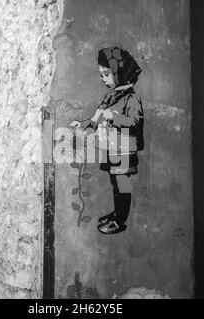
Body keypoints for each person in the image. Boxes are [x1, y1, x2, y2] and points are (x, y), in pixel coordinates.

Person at [71, 47, 144, 235]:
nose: (103, 79)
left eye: (106, 74)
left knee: (123, 186)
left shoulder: (131, 98)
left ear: (119, 73)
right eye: (101, 74)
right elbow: (96, 118)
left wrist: (112, 116)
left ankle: (120, 221)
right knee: (116, 185)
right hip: (112, 149)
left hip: (124, 151)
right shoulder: (110, 95)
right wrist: (85, 123)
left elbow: (135, 122)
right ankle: (116, 214)